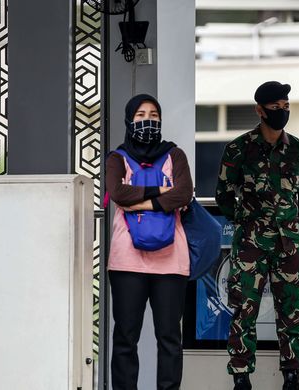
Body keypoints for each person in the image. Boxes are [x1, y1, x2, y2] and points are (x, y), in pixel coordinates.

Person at [216, 81, 299, 390]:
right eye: (276, 107)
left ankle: (292, 375)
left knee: (291, 312)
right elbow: (222, 194)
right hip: (250, 246)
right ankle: (241, 376)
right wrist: (245, 220)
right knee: (243, 310)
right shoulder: (238, 149)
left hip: (290, 246)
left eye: (286, 106)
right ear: (259, 111)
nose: (282, 112)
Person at [105, 94, 194, 390]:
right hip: (127, 261)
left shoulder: (175, 155)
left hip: (171, 262)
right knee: (125, 337)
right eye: (141, 114)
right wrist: (160, 192)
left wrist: (142, 203)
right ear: (130, 120)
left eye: (154, 115)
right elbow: (118, 193)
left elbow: (183, 194)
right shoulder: (117, 157)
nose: (148, 120)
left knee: (169, 337)